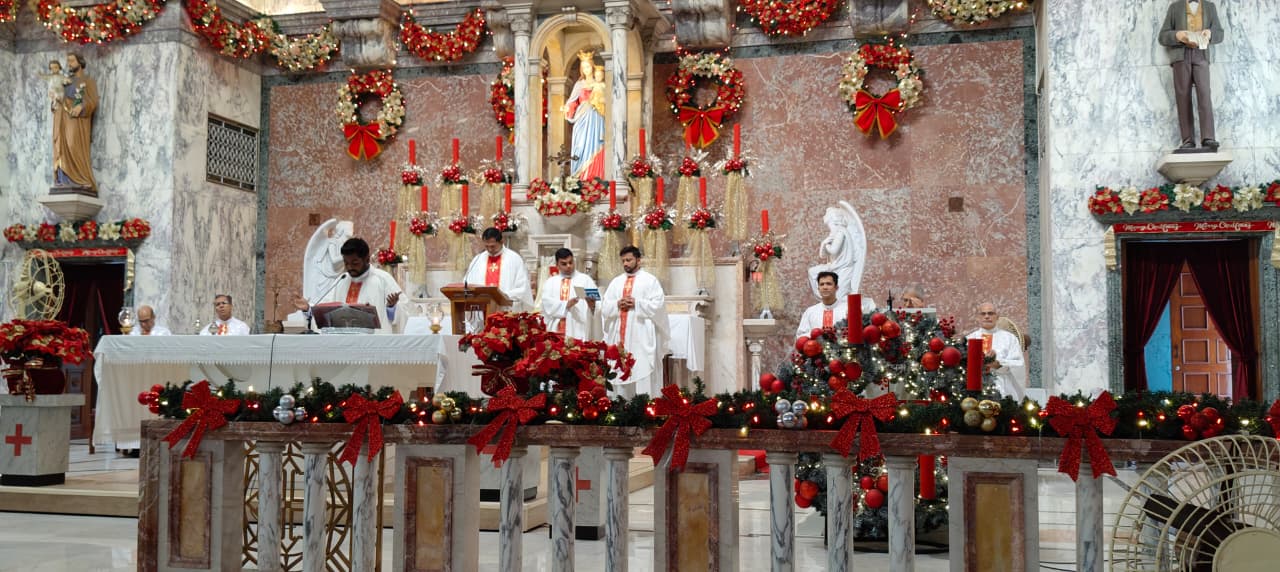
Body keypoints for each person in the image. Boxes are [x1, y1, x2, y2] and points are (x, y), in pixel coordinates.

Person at [292, 237, 402, 334]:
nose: (349, 267)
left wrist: (392, 308)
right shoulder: (342, 280)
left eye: (354, 263)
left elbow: (404, 313)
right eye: (346, 263)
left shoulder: (382, 279)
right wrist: (308, 309)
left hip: (372, 346)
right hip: (343, 344)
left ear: (367, 259)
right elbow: (324, 310)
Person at [602, 246, 669, 399]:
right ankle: (620, 406)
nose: (625, 263)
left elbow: (658, 305)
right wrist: (617, 304)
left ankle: (644, 406)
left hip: (640, 335)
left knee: (641, 368)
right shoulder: (616, 282)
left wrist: (637, 304)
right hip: (619, 336)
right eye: (623, 261)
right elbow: (605, 307)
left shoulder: (650, 280)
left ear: (638, 260)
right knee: (618, 369)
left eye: (629, 260)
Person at [1158, 0, 1224, 151]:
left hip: (1202, 54)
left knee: (1204, 94)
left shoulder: (1210, 7)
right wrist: (1177, 35)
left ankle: (1208, 138)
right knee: (1182, 96)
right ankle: (1188, 140)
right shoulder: (1174, 7)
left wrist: (1210, 33)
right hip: (1181, 56)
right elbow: (1162, 37)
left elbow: (1220, 33)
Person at [52, 53, 98, 192]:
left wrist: (81, 106)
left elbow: (93, 101)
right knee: (61, 146)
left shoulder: (88, 81)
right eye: (68, 61)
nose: (69, 64)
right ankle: (63, 179)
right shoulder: (66, 81)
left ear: (80, 62)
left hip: (77, 122)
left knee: (73, 144)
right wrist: (55, 100)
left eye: (72, 60)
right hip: (62, 120)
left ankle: (81, 179)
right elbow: (58, 99)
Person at [463, 227, 533, 311]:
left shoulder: (514, 259)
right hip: (483, 309)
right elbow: (468, 283)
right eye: (486, 246)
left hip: (506, 309)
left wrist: (502, 296)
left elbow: (522, 287)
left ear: (501, 241)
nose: (489, 249)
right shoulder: (478, 259)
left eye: (493, 246)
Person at [965, 303, 1026, 400]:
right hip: (976, 387)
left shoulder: (1009, 338)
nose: (987, 316)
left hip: (1003, 385)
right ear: (978, 318)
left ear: (997, 317)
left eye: (990, 313)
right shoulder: (970, 339)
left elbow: (1019, 363)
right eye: (983, 314)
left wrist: (999, 364)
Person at [561, 50, 605, 181]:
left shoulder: (600, 84)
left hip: (596, 117)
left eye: (588, 66)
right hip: (582, 118)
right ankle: (579, 177)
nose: (586, 70)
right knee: (580, 146)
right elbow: (572, 101)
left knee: (596, 144)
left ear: (592, 66)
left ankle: (595, 176)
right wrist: (567, 108)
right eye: (583, 67)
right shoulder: (579, 84)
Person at [538, 248, 598, 341]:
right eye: (564, 264)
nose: (568, 266)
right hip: (557, 329)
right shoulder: (551, 282)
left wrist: (592, 305)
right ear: (557, 265)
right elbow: (546, 304)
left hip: (578, 328)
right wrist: (566, 304)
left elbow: (598, 303)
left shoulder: (585, 280)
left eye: (571, 262)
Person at [796, 272, 847, 339]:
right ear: (818, 289)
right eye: (821, 284)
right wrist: (817, 336)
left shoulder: (847, 309)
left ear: (836, 287)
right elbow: (801, 335)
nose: (825, 287)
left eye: (829, 284)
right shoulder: (810, 312)